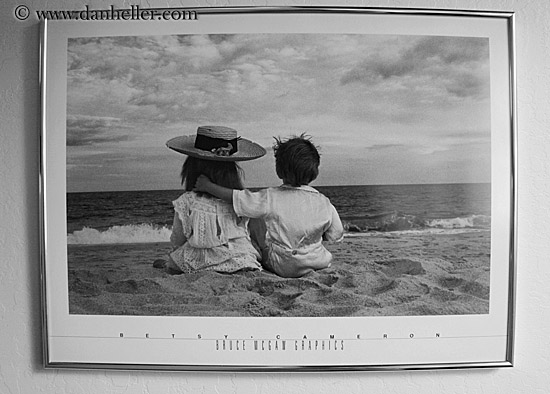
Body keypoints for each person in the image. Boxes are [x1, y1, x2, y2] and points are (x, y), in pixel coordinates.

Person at [195, 134, 344, 278]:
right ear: (315, 172)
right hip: (319, 261)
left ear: (279, 170)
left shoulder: (270, 197)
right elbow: (335, 234)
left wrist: (208, 186)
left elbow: (238, 198)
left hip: (284, 265)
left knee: (254, 215)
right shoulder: (324, 201)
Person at [162, 125, 267, 274]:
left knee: (174, 261)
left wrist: (174, 256)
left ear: (191, 168)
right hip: (239, 258)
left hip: (200, 261)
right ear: (232, 171)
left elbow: (179, 239)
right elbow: (256, 230)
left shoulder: (187, 201)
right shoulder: (239, 198)